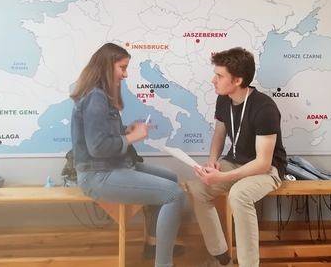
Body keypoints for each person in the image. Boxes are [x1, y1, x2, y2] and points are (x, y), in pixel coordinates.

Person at [70, 42, 185, 267]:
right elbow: (98, 147)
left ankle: (153, 244)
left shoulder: (99, 94)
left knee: (171, 179)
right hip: (98, 176)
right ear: (107, 66)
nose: (125, 74)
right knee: (174, 194)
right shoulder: (96, 97)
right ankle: (164, 263)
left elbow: (100, 135)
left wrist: (125, 130)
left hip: (112, 167)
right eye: (122, 68)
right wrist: (132, 137)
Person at [187, 47, 287, 267]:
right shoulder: (223, 100)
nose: (213, 80)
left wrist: (221, 177)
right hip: (235, 162)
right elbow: (219, 133)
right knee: (197, 188)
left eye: (219, 76)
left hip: (267, 169)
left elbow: (262, 163)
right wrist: (213, 161)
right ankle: (221, 255)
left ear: (238, 80)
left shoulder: (264, 108)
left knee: (239, 195)